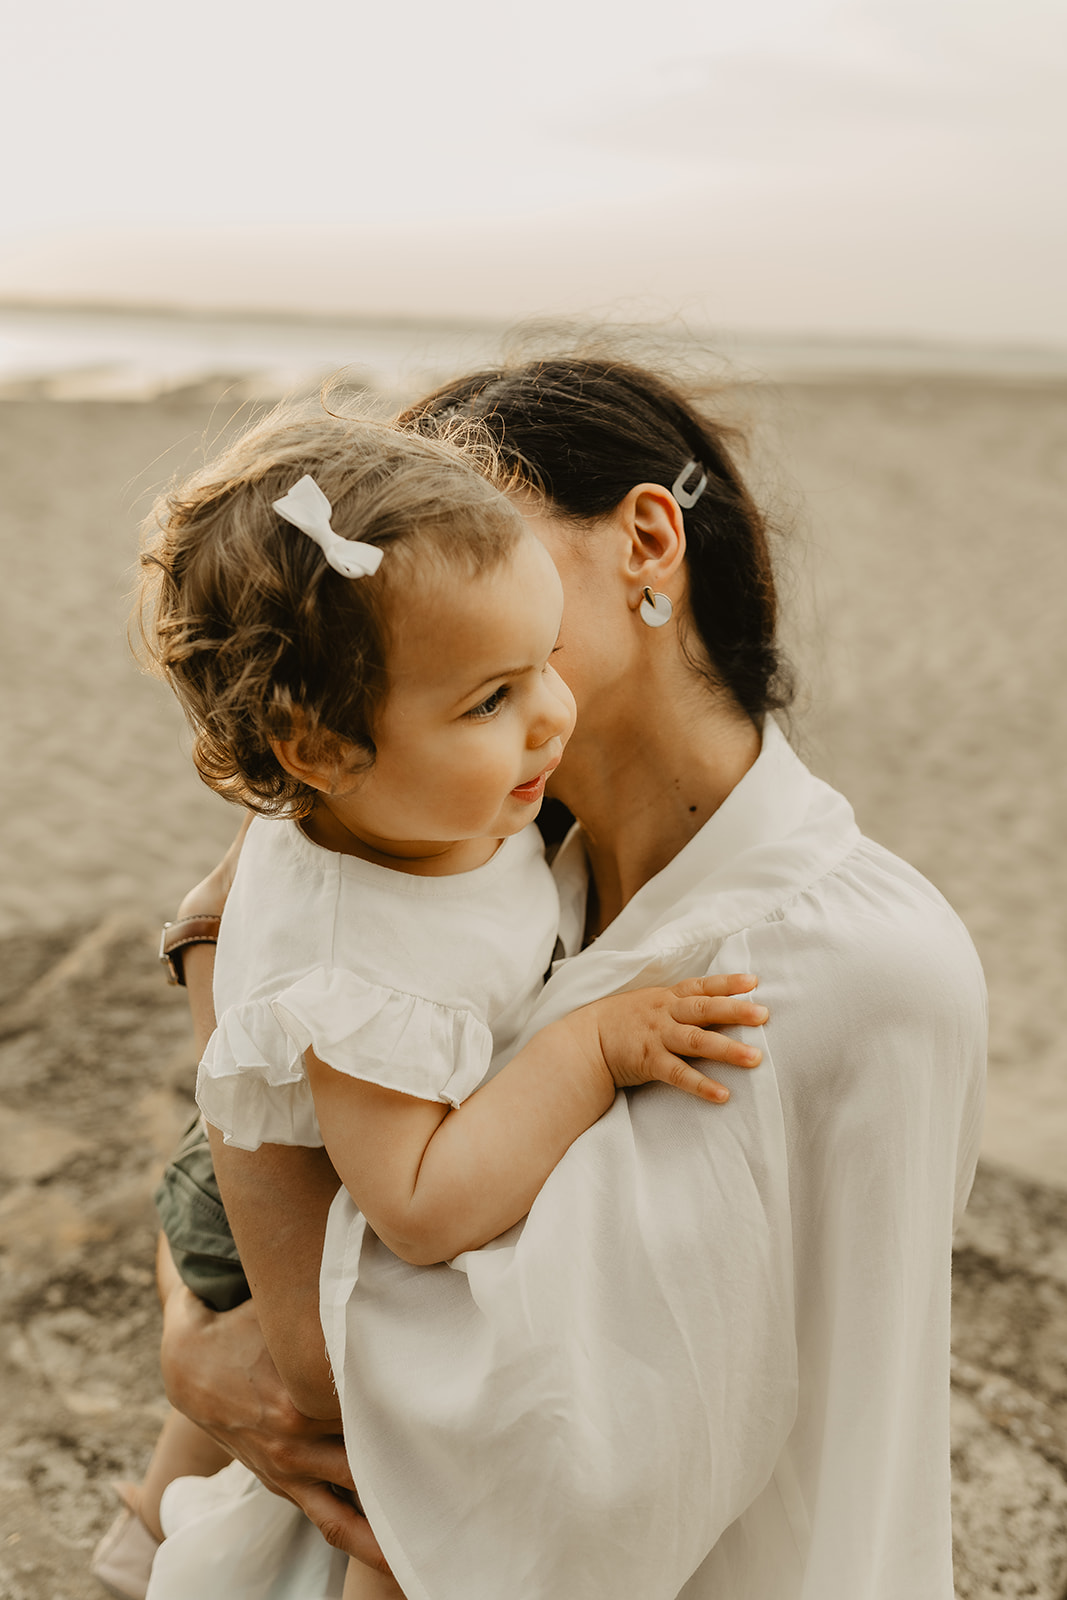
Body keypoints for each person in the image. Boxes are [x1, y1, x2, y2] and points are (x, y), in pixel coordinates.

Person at [152, 355, 986, 1599]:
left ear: (647, 537)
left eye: (470, 513)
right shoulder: (473, 855)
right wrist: (194, 1344)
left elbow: (473, 1414)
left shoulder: (838, 969)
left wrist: (217, 953)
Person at [124, 405, 768, 1600]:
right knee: (406, 1514)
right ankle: (158, 1530)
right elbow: (417, 1207)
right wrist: (586, 1046)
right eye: (490, 700)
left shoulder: (414, 790)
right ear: (313, 750)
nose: (549, 718)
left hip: (349, 1132)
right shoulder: (351, 964)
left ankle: (148, 1522)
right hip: (287, 1187)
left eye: (543, 662)